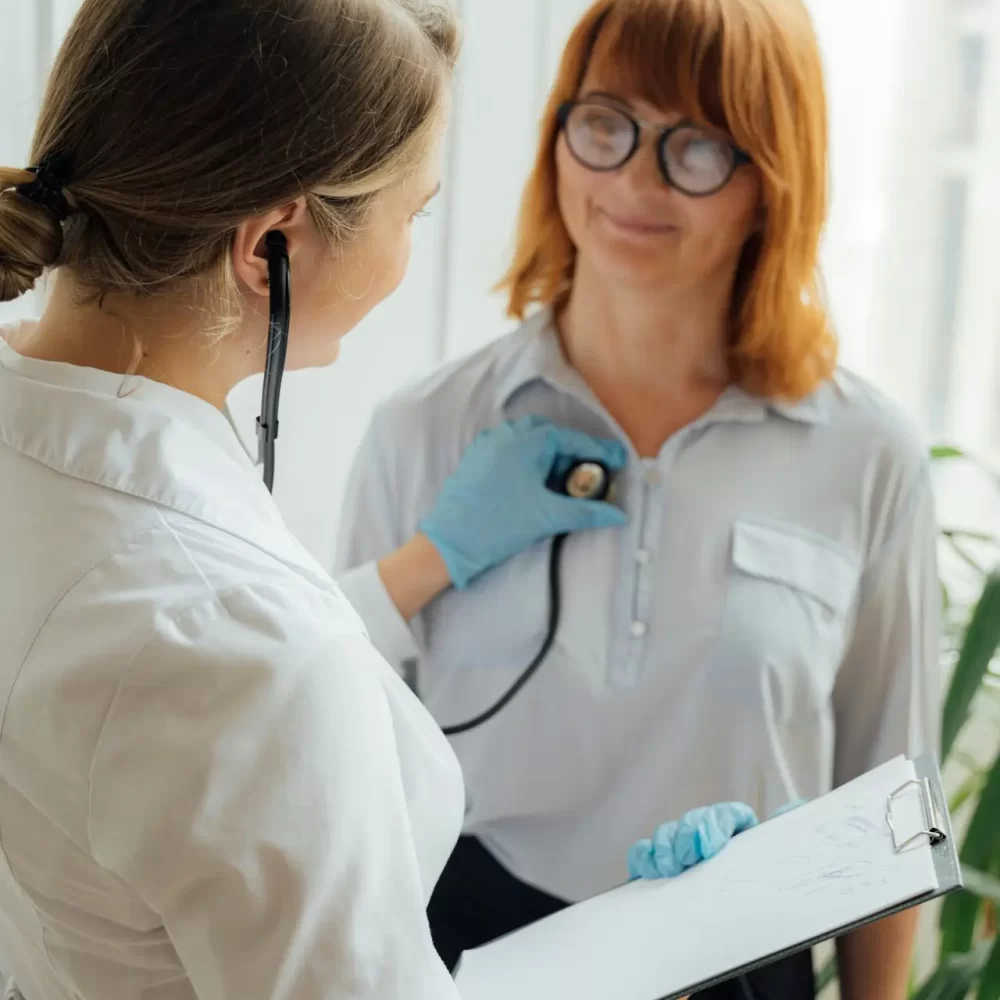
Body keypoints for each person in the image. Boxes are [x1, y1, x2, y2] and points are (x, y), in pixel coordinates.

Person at [0, 2, 754, 998]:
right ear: (275, 241)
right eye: (416, 213)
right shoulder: (242, 643)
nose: (408, 250)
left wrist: (421, 564)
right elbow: (212, 674)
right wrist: (651, 960)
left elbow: (154, 716)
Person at [333, 0, 942, 998]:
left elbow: (890, 795)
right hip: (469, 956)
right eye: (606, 123)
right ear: (560, 134)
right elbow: (330, 741)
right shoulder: (429, 426)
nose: (633, 180)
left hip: (745, 963)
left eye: (695, 146)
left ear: (770, 181)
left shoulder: (868, 455)